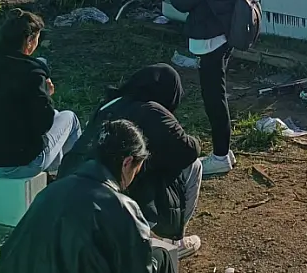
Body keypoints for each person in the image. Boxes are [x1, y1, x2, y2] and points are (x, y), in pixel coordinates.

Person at [59, 64, 202, 257]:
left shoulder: (108, 105)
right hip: (115, 195)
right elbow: (188, 150)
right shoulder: (151, 110)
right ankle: (167, 243)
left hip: (71, 189)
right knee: (193, 165)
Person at [0, 119, 177, 273]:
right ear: (127, 162)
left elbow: (10, 253)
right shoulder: (121, 207)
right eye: (136, 170)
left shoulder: (50, 192)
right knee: (160, 257)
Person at [170, 0, 242, 177]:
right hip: (225, 33)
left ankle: (220, 155)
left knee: (214, 97)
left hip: (212, 36)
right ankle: (226, 150)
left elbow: (181, 0)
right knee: (217, 92)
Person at [0, 8, 82, 179]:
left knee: (56, 116)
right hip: (19, 164)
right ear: (29, 40)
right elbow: (44, 124)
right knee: (69, 118)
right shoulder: (32, 72)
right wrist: (46, 95)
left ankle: (52, 178)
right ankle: (72, 182)